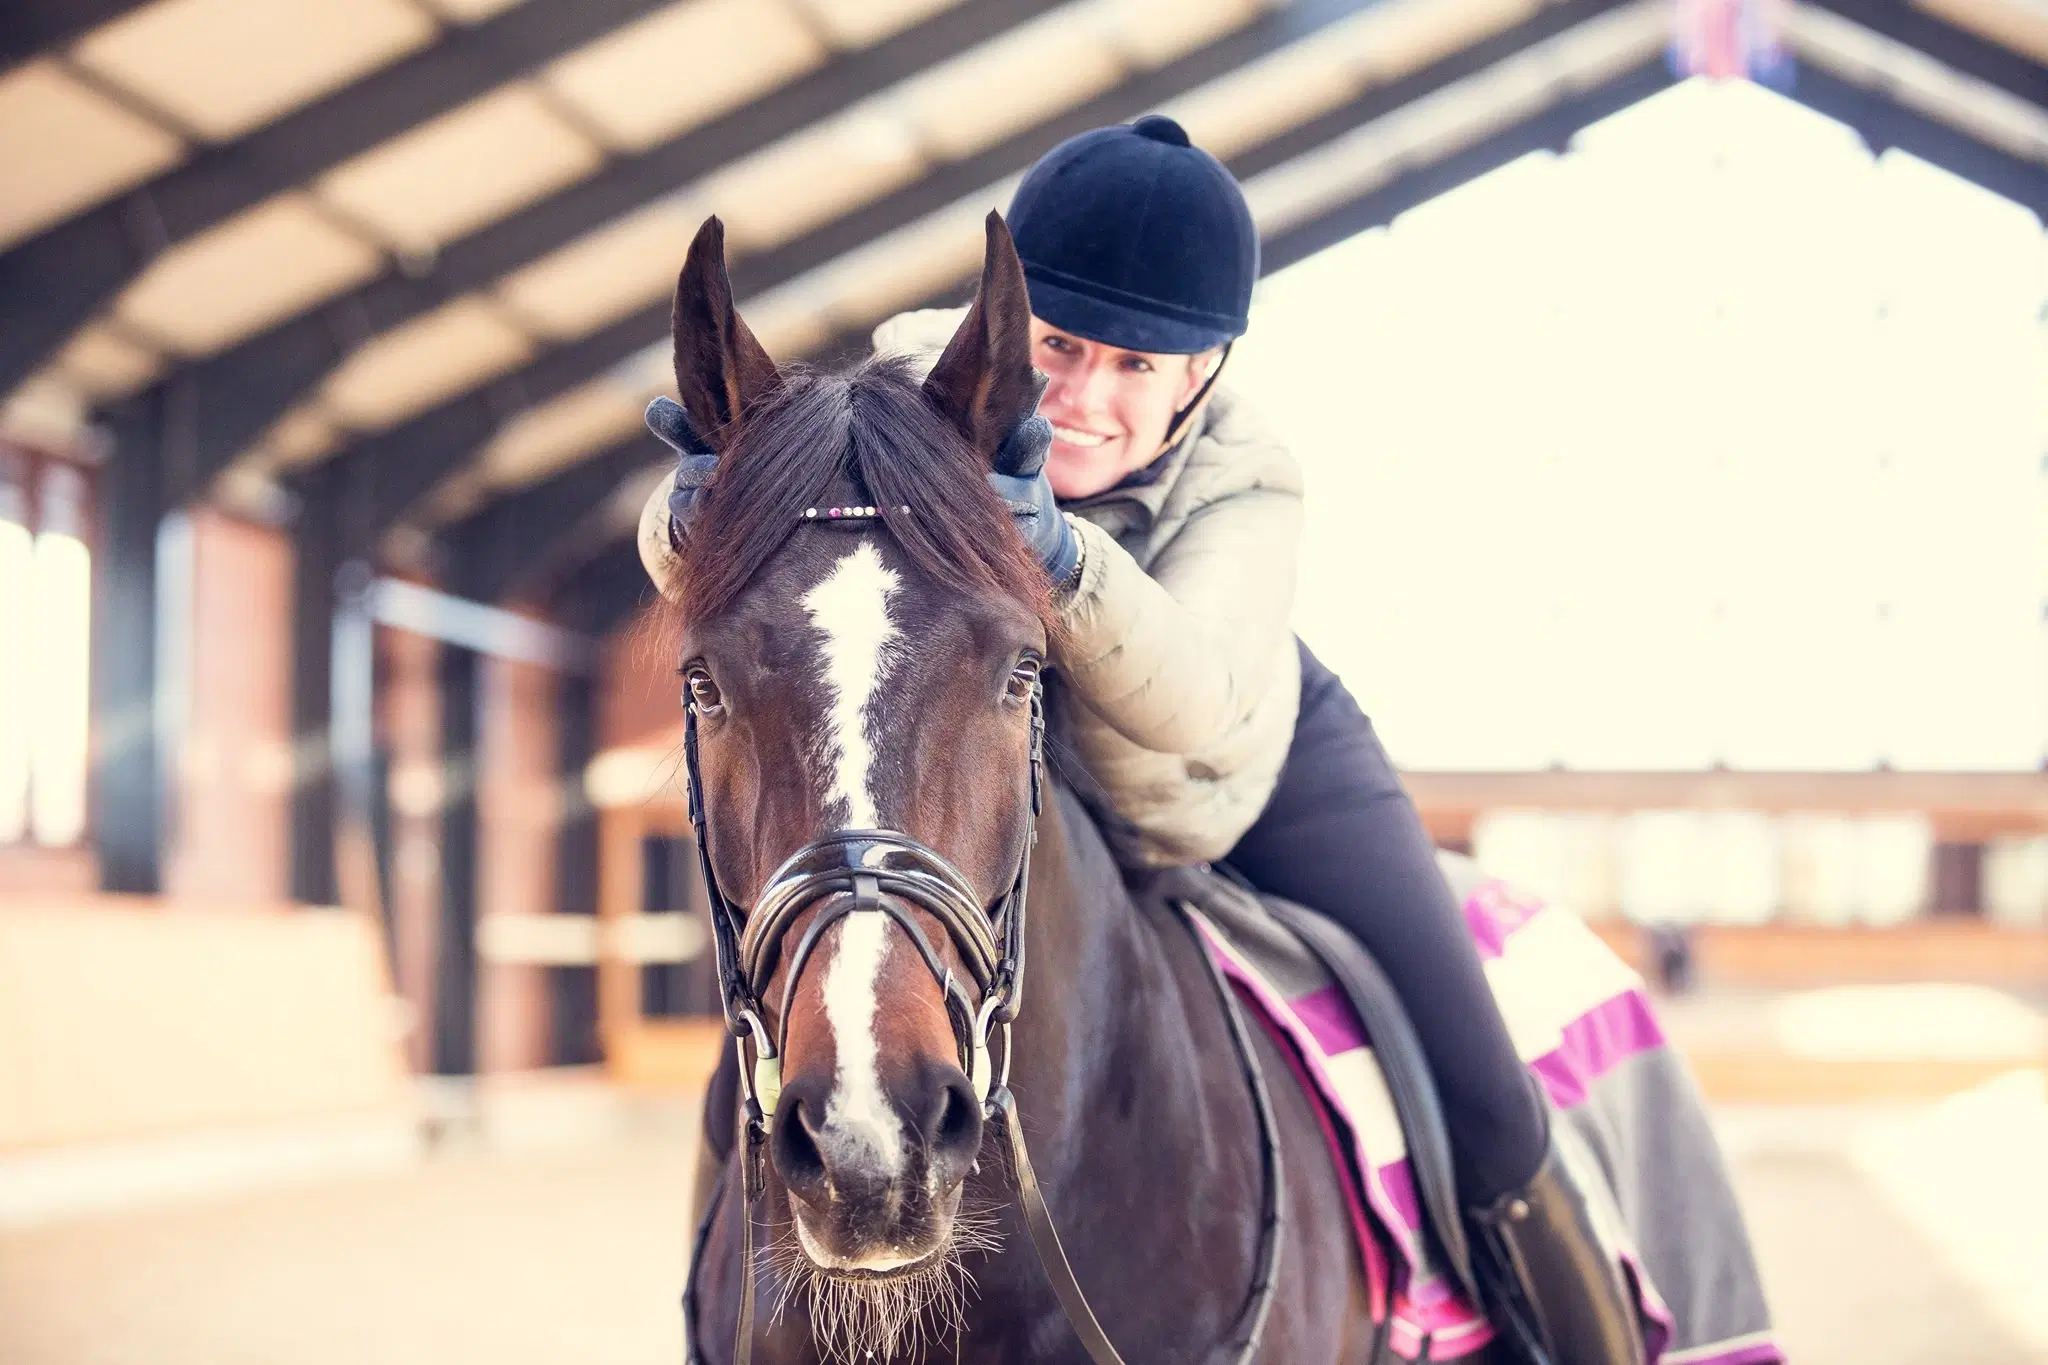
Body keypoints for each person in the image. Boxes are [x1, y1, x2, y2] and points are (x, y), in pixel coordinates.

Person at [641, 115, 1643, 1365]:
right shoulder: (913, 396)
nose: (1081, 400)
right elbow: (771, 575)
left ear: (1203, 374)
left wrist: (1060, 557)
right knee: (782, 1049)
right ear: (1006, 328)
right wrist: (697, 514)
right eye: (1057, 347)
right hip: (989, 745)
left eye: (1138, 366)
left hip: (1240, 762)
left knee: (1485, 1099)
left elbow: (1197, 700)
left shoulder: (1249, 480)